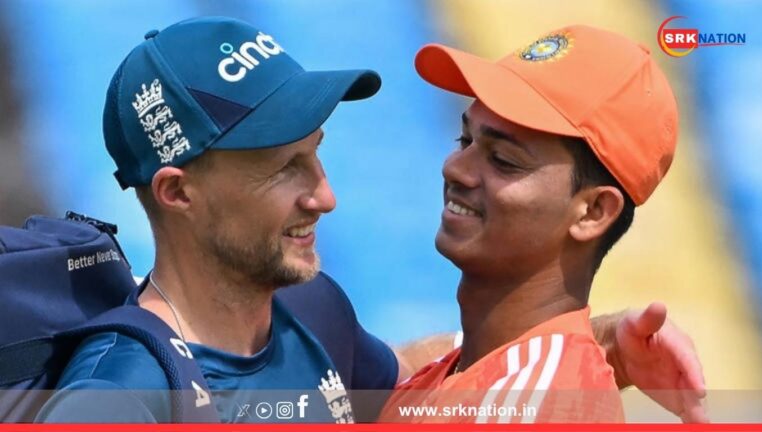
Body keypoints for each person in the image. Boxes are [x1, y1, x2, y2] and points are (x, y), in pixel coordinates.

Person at [37, 17, 705, 423]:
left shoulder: (314, 312)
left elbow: (408, 374)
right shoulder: (120, 393)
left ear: (595, 211)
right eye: (284, 168)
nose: (325, 196)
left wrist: (582, 343)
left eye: (316, 155)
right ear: (178, 193)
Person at [379, 25, 704, 423]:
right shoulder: (461, 374)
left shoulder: (546, 409)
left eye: (503, 160)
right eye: (465, 141)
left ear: (593, 211)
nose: (455, 168)